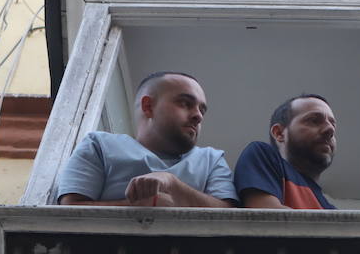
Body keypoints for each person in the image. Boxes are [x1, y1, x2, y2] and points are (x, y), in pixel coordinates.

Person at [55, 71, 237, 207]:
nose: (198, 116)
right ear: (148, 106)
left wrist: (172, 184)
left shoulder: (211, 159)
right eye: (185, 103)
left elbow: (231, 215)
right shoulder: (99, 145)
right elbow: (69, 209)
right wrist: (139, 207)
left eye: (202, 110)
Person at [235, 93, 338, 209]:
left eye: (333, 125)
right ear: (279, 133)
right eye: (314, 121)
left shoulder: (330, 210)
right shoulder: (262, 154)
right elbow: (267, 220)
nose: (330, 129)